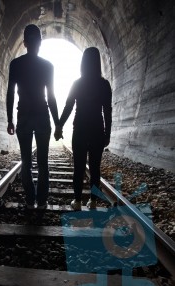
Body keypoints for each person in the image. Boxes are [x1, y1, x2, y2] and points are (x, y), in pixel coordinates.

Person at [6, 24, 59, 209]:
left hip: (24, 116)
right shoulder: (47, 66)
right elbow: (51, 97)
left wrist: (9, 119)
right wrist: (58, 123)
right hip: (42, 116)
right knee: (43, 163)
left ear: (25, 42)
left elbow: (10, 93)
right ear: (40, 43)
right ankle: (42, 201)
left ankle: (30, 200)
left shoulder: (16, 64)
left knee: (26, 161)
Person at [54, 47, 112, 210]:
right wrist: (107, 134)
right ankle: (93, 202)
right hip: (97, 129)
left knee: (79, 167)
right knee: (95, 168)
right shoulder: (104, 85)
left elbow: (68, 106)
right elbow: (107, 111)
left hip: (79, 128)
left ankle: (77, 202)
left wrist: (59, 125)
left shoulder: (77, 83)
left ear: (83, 63)